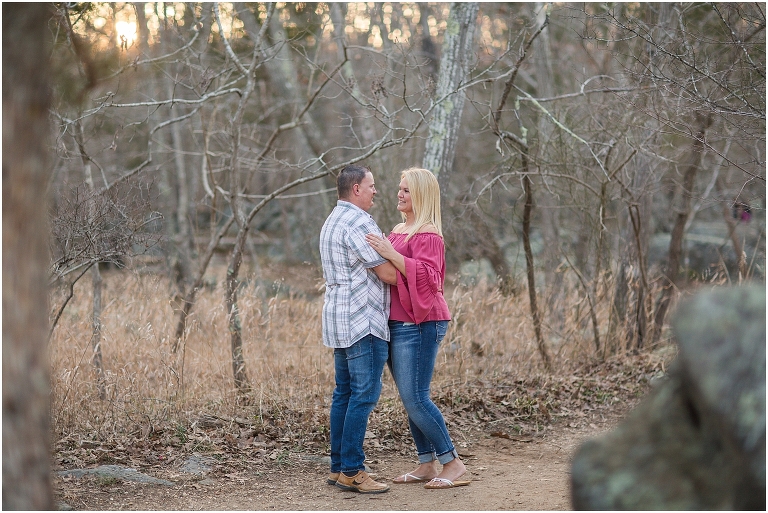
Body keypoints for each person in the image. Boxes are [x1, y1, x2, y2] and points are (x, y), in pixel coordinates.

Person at [365, 167, 470, 489]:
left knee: (417, 398)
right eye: (399, 188)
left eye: (407, 190)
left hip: (422, 322)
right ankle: (426, 463)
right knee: (409, 397)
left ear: (421, 195)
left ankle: (452, 463)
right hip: (398, 321)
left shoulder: (428, 233)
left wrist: (391, 253)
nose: (400, 194)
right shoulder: (399, 228)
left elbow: (430, 278)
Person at [319, 164, 397, 494]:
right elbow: (389, 274)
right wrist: (397, 258)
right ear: (356, 189)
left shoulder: (332, 220)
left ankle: (339, 467)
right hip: (362, 319)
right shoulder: (358, 222)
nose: (375, 191)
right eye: (371, 186)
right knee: (364, 394)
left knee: (345, 393)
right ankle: (352, 469)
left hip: (338, 317)